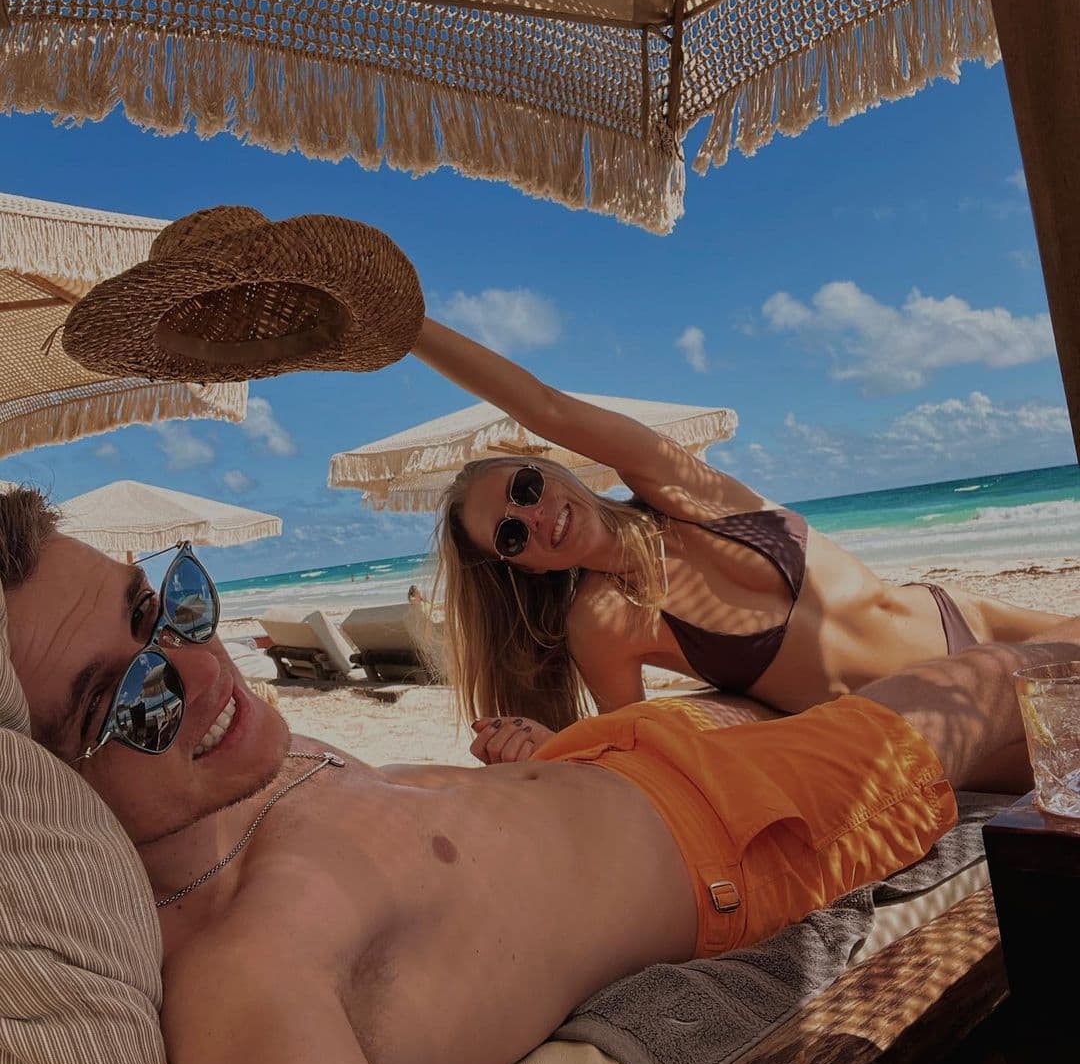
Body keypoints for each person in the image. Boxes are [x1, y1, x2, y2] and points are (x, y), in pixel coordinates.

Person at [2, 485, 1071, 1064]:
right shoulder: (247, 971)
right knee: (1029, 681)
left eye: (164, 605)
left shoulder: (220, 783)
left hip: (632, 758)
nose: (196, 667)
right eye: (124, 700)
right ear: (51, 787)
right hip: (732, 824)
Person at [410, 318, 1064, 759]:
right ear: (520, 569)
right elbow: (633, 753)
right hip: (928, 723)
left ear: (549, 466)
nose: (535, 517)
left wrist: (409, 328)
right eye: (510, 535)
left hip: (970, 621)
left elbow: (545, 406)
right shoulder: (606, 619)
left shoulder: (684, 490)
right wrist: (550, 746)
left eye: (525, 488)